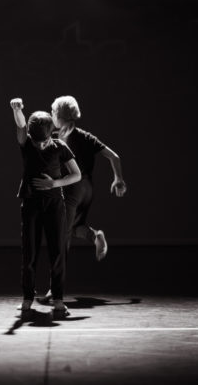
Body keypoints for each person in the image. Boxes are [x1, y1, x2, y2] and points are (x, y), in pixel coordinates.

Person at [39, 95, 127, 303]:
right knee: (75, 227)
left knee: (62, 238)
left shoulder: (60, 138)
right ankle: (95, 236)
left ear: (60, 115)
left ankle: (55, 290)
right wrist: (118, 179)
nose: (51, 115)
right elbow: (114, 157)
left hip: (72, 189)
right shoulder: (85, 136)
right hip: (87, 189)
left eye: (53, 112)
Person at [10, 98, 81, 314]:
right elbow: (21, 125)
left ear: (51, 134)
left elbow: (76, 174)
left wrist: (54, 184)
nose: (40, 145)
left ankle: (58, 298)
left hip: (54, 205)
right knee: (29, 253)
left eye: (44, 141)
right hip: (31, 204)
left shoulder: (60, 146)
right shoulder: (26, 144)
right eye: (37, 141)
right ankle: (27, 298)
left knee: (57, 252)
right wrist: (18, 109)